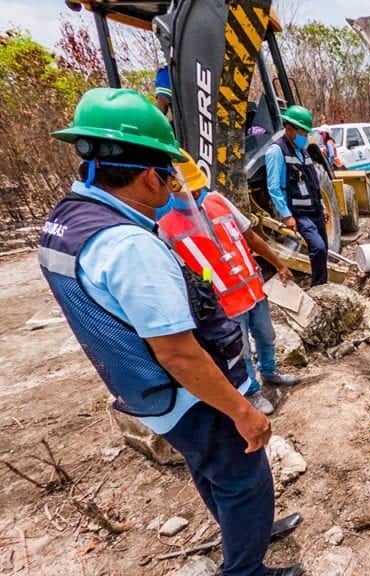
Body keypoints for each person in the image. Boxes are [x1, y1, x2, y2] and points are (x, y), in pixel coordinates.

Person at [39, 88, 302, 576]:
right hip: (188, 394)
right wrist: (243, 410)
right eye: (169, 176)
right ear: (147, 176)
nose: (174, 187)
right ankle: (246, 568)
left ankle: (247, 531)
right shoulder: (127, 246)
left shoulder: (66, 221)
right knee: (245, 478)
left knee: (212, 471)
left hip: (145, 391)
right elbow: (179, 354)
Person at [163, 151, 301, 415]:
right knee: (241, 351)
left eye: (197, 189)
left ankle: (270, 372)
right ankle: (250, 391)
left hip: (252, 289)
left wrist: (280, 264)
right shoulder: (167, 226)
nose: (195, 195)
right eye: (189, 191)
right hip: (223, 302)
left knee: (266, 335)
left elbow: (251, 237)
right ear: (172, 187)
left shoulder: (217, 202)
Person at [265, 105, 330, 286]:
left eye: (306, 132)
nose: (304, 136)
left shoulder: (303, 151)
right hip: (299, 212)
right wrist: (286, 215)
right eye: (302, 131)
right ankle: (318, 287)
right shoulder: (276, 151)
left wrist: (323, 205)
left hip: (315, 209)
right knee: (317, 247)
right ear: (289, 128)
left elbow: (313, 183)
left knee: (323, 249)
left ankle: (323, 284)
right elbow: (274, 187)